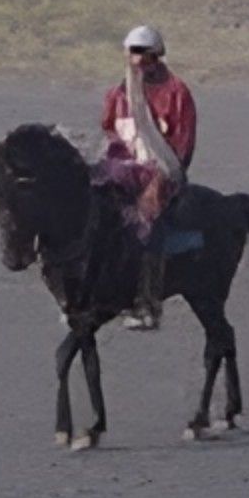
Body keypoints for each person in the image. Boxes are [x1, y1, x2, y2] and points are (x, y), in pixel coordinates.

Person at [97, 26, 196, 326]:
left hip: (161, 175)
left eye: (144, 55)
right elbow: (110, 133)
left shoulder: (177, 94)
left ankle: (146, 303)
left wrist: (156, 186)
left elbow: (182, 146)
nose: (138, 62)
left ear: (156, 56)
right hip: (123, 173)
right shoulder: (118, 95)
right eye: (133, 54)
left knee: (146, 224)